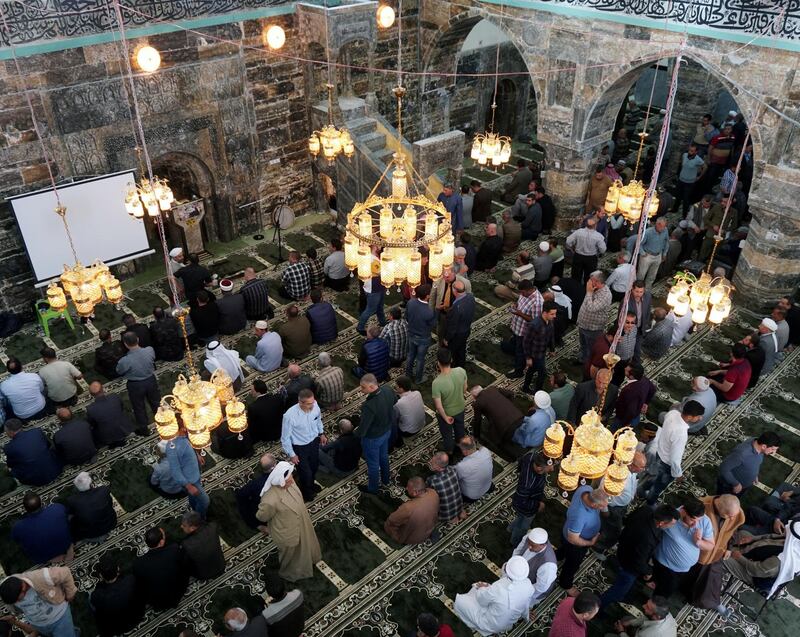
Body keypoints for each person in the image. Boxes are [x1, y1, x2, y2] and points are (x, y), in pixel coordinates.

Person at [599, 505, 680, 609]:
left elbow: (628, 520)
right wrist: (648, 571)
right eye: (671, 524)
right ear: (661, 523)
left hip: (624, 547)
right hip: (630, 565)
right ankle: (599, 607)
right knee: (618, 590)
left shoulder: (646, 509)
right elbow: (638, 562)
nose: (672, 527)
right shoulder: (647, 539)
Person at [256, 461, 322, 581]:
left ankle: (310, 559)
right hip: (286, 530)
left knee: (306, 544)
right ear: (280, 481)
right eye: (288, 478)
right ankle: (290, 573)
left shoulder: (290, 483)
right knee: (290, 555)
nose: (292, 480)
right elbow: (262, 516)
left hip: (302, 522)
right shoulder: (270, 499)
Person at [690, 495, 745, 617]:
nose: (732, 518)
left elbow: (733, 530)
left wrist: (729, 548)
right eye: (729, 516)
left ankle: (713, 602)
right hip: (699, 552)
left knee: (713, 578)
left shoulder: (734, 511)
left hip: (718, 552)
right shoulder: (701, 507)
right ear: (720, 509)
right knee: (697, 577)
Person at [641, 401, 705, 505]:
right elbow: (675, 459)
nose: (700, 418)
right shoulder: (681, 433)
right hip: (666, 463)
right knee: (659, 485)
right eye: (698, 416)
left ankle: (642, 490)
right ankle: (650, 502)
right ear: (689, 417)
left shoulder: (673, 413)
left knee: (656, 476)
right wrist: (678, 474)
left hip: (660, 452)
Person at [454, 557, 536, 636]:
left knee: (460, 600)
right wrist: (527, 616)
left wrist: (482, 588)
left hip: (490, 624)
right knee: (486, 590)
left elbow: (481, 601)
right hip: (507, 626)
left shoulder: (499, 586)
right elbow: (525, 605)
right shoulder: (529, 586)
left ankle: (486, 631)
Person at [652, 498, 715, 599]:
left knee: (666, 590)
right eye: (693, 520)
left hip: (683, 569)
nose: (696, 524)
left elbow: (711, 546)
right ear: (683, 511)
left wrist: (698, 542)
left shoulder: (704, 520)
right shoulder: (671, 519)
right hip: (666, 566)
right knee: (662, 595)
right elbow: (655, 526)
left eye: (699, 520)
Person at [0, 566, 78, 637]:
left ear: (23, 588)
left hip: (59, 618)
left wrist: (70, 593)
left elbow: (65, 572)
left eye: (18, 600)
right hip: (38, 624)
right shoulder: (7, 589)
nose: (17, 602)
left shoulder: (42, 576)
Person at [557, 486, 607, 596]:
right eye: (602, 506)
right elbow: (573, 539)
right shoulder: (579, 516)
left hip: (568, 533)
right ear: (594, 505)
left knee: (563, 550)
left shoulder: (586, 489)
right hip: (575, 545)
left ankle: (557, 557)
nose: (605, 506)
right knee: (572, 565)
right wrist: (590, 543)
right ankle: (565, 584)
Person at [597, 451, 648, 551]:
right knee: (613, 530)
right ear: (632, 465)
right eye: (641, 467)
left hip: (620, 507)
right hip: (611, 508)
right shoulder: (616, 475)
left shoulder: (630, 471)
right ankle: (598, 547)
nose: (643, 469)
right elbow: (602, 492)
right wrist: (605, 511)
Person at [281, 388, 325, 502]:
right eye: (309, 404)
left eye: (313, 402)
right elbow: (285, 438)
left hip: (314, 442)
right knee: (306, 473)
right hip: (300, 448)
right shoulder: (290, 416)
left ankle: (310, 485)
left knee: (314, 466)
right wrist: (292, 454)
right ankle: (306, 494)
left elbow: (318, 420)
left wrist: (321, 433)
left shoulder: (315, 405)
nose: (312, 405)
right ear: (300, 402)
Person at [355, 373, 396, 493]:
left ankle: (373, 488)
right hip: (387, 431)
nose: (361, 390)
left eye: (363, 387)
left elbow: (364, 427)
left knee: (373, 464)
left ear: (372, 387)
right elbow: (394, 401)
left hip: (373, 438)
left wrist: (356, 434)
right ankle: (386, 479)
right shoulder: (388, 389)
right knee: (383, 456)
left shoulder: (369, 405)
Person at [133, 526, 190, 610]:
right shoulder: (174, 550)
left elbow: (140, 586)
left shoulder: (138, 564)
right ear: (161, 542)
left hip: (156, 601)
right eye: (164, 536)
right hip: (176, 594)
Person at [90, 553, 146, 637]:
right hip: (137, 617)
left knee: (90, 598)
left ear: (101, 576)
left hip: (117, 628)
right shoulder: (131, 580)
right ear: (118, 569)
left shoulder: (97, 596)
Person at [116, 331, 160, 435]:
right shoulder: (150, 350)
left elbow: (119, 371)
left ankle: (144, 430)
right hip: (150, 380)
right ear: (138, 340)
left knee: (139, 407)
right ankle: (163, 422)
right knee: (156, 403)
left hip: (135, 385)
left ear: (125, 344)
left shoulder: (125, 360)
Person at [12, 491, 73, 564]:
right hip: (65, 544)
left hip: (42, 556)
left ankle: (50, 559)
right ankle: (69, 549)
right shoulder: (57, 508)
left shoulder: (18, 527)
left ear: (25, 509)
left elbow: (16, 540)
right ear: (41, 503)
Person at [508, 449, 554, 545]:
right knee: (523, 527)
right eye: (544, 468)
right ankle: (515, 541)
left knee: (520, 518)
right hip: (526, 507)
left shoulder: (531, 456)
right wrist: (538, 505)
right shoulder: (528, 484)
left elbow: (521, 461)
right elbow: (522, 502)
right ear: (540, 469)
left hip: (523, 500)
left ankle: (510, 528)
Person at [470, 385, 525, 459]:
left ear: (474, 396)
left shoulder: (478, 403)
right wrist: (509, 405)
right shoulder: (493, 388)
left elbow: (477, 420)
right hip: (519, 417)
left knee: (497, 440)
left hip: (506, 427)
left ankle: (517, 457)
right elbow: (511, 394)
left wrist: (476, 436)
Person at [167, 426, 210, 518]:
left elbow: (191, 443)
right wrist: (188, 486)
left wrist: (197, 455)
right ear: (180, 428)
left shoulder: (185, 434)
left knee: (193, 497)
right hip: (190, 481)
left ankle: (195, 509)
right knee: (205, 501)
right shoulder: (171, 447)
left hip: (195, 473)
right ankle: (200, 519)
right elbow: (175, 471)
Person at [3, 418, 62, 486]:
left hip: (35, 480)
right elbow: (49, 445)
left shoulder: (9, 447)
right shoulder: (37, 432)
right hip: (57, 468)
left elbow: (11, 465)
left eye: (6, 431)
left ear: (10, 432)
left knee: (12, 470)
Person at [384, 476, 440, 545]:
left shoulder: (408, 508)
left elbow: (392, 520)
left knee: (388, 524)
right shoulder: (433, 493)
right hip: (429, 529)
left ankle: (398, 540)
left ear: (415, 492)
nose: (406, 488)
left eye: (408, 487)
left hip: (413, 539)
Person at [432, 348, 467, 453]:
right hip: (460, 407)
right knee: (460, 429)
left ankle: (450, 454)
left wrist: (445, 417)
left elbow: (438, 406)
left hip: (447, 413)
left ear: (438, 363)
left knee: (447, 435)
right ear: (451, 360)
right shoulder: (461, 370)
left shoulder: (437, 383)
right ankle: (461, 447)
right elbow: (465, 389)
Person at [511, 527, 557, 606]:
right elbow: (518, 550)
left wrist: (522, 595)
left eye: (533, 546)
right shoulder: (530, 538)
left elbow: (540, 588)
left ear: (542, 545)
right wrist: (512, 564)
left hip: (531, 588)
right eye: (529, 543)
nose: (529, 547)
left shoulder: (549, 566)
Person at [66, 472, 116, 542]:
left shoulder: (72, 501)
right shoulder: (104, 490)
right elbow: (110, 504)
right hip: (111, 523)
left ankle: (95, 537)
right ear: (91, 484)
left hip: (89, 533)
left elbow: (70, 515)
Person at [576, 271, 612, 362]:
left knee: (591, 348)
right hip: (583, 324)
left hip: (592, 329)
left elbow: (591, 308)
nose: (588, 282)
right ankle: (583, 358)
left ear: (597, 282)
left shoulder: (605, 295)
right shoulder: (593, 289)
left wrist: (589, 292)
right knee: (583, 344)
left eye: (590, 280)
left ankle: (588, 364)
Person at [523, 301, 558, 393]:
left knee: (531, 370)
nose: (554, 316)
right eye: (552, 314)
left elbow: (551, 336)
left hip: (542, 352)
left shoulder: (550, 321)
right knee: (542, 373)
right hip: (534, 354)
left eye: (555, 313)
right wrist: (528, 358)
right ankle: (538, 390)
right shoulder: (534, 325)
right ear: (545, 312)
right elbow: (526, 342)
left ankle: (525, 387)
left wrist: (552, 349)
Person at [235, 453, 276, 531]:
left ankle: (256, 525)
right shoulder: (286, 474)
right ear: (275, 464)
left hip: (266, 513)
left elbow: (240, 495)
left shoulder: (256, 485)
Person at [180, 510, 226, 580]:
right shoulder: (213, 526)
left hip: (204, 575)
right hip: (221, 565)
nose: (181, 527)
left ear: (192, 528)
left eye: (184, 525)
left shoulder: (186, 544)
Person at [611, 362, 656, 431]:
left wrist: (623, 426)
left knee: (614, 434)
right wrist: (646, 403)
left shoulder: (630, 391)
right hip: (636, 415)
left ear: (631, 376)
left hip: (623, 419)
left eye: (627, 370)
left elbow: (630, 411)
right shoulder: (644, 379)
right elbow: (653, 389)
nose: (625, 368)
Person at [405, 283, 436, 383]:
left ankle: (408, 374)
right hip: (423, 337)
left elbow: (407, 317)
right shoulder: (429, 311)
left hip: (411, 334)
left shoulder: (410, 302)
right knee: (420, 359)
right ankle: (418, 379)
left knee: (410, 355)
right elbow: (432, 325)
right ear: (427, 296)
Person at [261, 572, 306, 637]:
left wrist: (269, 606)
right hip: (300, 627)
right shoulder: (298, 594)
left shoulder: (267, 614)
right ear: (284, 586)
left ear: (269, 593)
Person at [443, 280, 475, 368]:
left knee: (450, 353)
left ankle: (450, 370)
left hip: (456, 335)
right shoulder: (470, 297)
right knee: (461, 351)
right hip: (466, 330)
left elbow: (452, 327)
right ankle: (461, 367)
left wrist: (446, 339)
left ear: (454, 291)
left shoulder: (456, 308)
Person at [427, 452, 465, 524]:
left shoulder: (432, 480)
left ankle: (452, 518)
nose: (430, 462)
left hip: (445, 515)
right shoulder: (453, 469)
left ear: (438, 467)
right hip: (460, 505)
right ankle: (459, 512)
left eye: (432, 462)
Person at [568, 217, 607, 286]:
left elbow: (568, 241)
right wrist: (598, 252)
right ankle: (586, 291)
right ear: (595, 225)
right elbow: (603, 250)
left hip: (578, 256)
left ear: (586, 224)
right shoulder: (598, 236)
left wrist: (572, 248)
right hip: (591, 259)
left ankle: (575, 289)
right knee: (589, 277)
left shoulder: (578, 232)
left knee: (576, 275)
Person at [610, 597, 677, 637]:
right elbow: (648, 618)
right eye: (646, 604)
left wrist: (621, 632)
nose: (643, 606)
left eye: (647, 607)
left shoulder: (649, 633)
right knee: (626, 619)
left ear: (657, 616)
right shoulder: (666, 613)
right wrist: (630, 623)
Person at [454, 436, 493, 502]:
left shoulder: (461, 466)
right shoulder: (485, 451)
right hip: (488, 486)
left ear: (465, 452)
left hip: (473, 496)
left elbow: (455, 479)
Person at [637, 217, 670, 288]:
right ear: (657, 225)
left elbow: (667, 242)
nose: (663, 228)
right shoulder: (648, 232)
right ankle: (638, 289)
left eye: (665, 226)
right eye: (662, 226)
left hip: (658, 256)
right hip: (647, 256)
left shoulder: (665, 230)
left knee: (652, 275)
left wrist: (664, 253)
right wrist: (642, 253)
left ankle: (647, 290)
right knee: (641, 275)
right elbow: (639, 244)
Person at [674, 144, 707, 216]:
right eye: (689, 150)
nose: (690, 152)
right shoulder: (684, 155)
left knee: (686, 199)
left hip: (689, 182)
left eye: (692, 151)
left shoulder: (698, 159)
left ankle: (684, 214)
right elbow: (683, 164)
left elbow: (705, 167)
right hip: (681, 179)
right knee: (678, 195)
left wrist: (699, 177)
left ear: (696, 152)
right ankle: (675, 209)